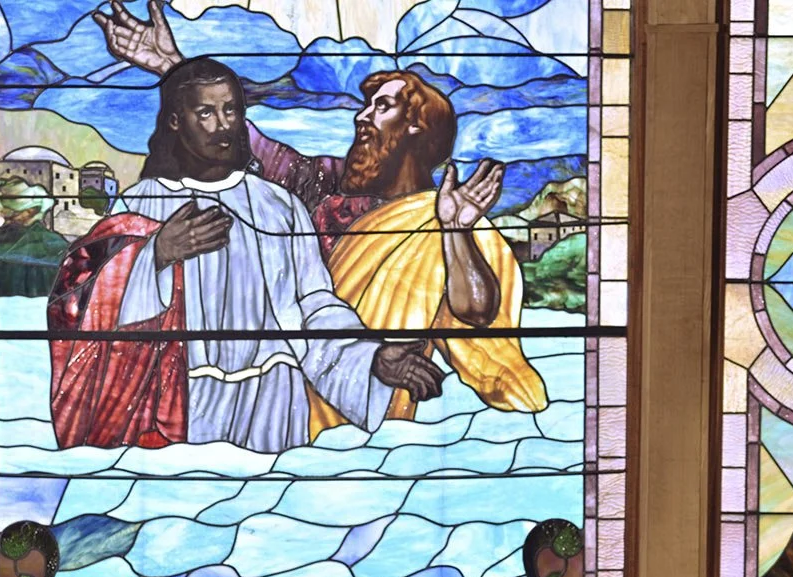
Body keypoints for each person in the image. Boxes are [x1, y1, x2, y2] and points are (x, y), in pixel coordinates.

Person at [92, 1, 550, 433]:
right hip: (287, 399)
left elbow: (478, 315)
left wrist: (455, 232)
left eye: (381, 107)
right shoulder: (323, 189)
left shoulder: (448, 216)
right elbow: (240, 143)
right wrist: (175, 70)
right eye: (365, 105)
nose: (361, 118)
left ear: (417, 128)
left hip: (368, 408)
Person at [46, 57, 445, 453]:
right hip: (177, 405)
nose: (223, 125)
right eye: (206, 112)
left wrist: (371, 358)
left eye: (231, 110)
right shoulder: (140, 204)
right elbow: (79, 304)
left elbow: (315, 307)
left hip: (271, 405)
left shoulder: (279, 206)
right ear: (174, 121)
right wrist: (155, 255)